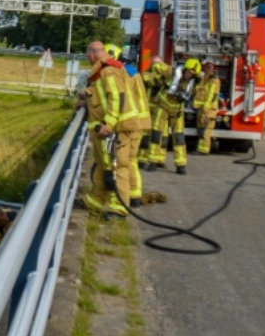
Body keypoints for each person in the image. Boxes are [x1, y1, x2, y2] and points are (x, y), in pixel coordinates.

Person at [76, 40, 144, 218]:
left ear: (92, 54)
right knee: (102, 164)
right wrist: (86, 100)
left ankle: (118, 208)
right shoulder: (103, 71)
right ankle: (95, 201)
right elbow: (101, 95)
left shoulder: (108, 71)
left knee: (117, 166)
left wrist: (109, 124)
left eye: (87, 56)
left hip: (116, 129)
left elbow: (116, 97)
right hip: (112, 127)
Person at [107, 44, 151, 207]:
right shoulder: (132, 70)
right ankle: (135, 195)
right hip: (140, 119)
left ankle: (126, 199)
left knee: (124, 161)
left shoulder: (121, 73)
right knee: (132, 159)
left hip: (129, 121)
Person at [147, 57, 199, 175]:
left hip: (177, 111)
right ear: (185, 69)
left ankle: (181, 165)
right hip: (162, 107)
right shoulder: (171, 71)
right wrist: (157, 65)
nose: (189, 75)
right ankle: (153, 162)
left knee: (179, 138)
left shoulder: (193, 81)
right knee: (156, 134)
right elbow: (156, 65)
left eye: (192, 74)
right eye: (188, 72)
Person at [192, 61, 221, 154]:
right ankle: (200, 148)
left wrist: (206, 106)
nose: (206, 69)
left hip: (209, 109)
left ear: (213, 69)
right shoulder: (203, 79)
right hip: (201, 108)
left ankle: (204, 149)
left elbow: (213, 95)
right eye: (205, 67)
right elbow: (197, 90)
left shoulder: (214, 80)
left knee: (206, 130)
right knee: (201, 130)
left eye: (208, 68)